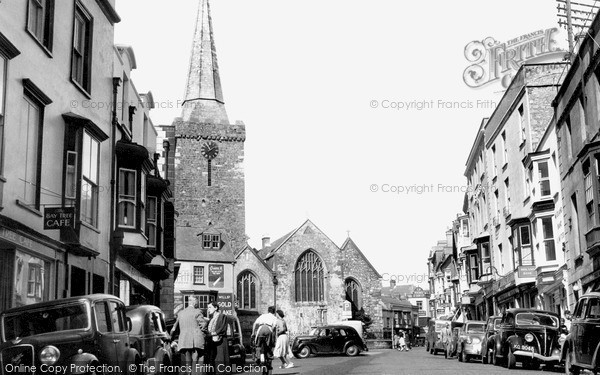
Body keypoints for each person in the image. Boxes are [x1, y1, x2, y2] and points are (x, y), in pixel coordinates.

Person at [170, 297, 206, 375]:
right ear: (194, 302)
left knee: (187, 362)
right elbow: (203, 326)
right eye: (197, 302)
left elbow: (173, 329)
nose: (197, 304)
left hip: (184, 341)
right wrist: (204, 334)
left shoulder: (180, 313)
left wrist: (171, 339)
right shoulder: (198, 312)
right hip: (196, 341)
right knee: (196, 361)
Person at [204, 302, 229, 375]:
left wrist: (213, 333)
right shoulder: (211, 319)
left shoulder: (222, 316)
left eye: (210, 307)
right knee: (212, 362)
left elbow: (223, 328)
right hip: (211, 343)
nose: (208, 310)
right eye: (208, 308)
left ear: (216, 308)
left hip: (220, 342)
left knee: (220, 361)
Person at [252, 306, 278, 375]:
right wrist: (273, 338)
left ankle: (258, 358)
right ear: (274, 312)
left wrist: (253, 333)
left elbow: (254, 324)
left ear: (268, 311)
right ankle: (269, 357)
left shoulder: (262, 315)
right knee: (269, 346)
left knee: (257, 345)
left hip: (260, 329)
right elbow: (274, 327)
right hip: (268, 329)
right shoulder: (274, 318)